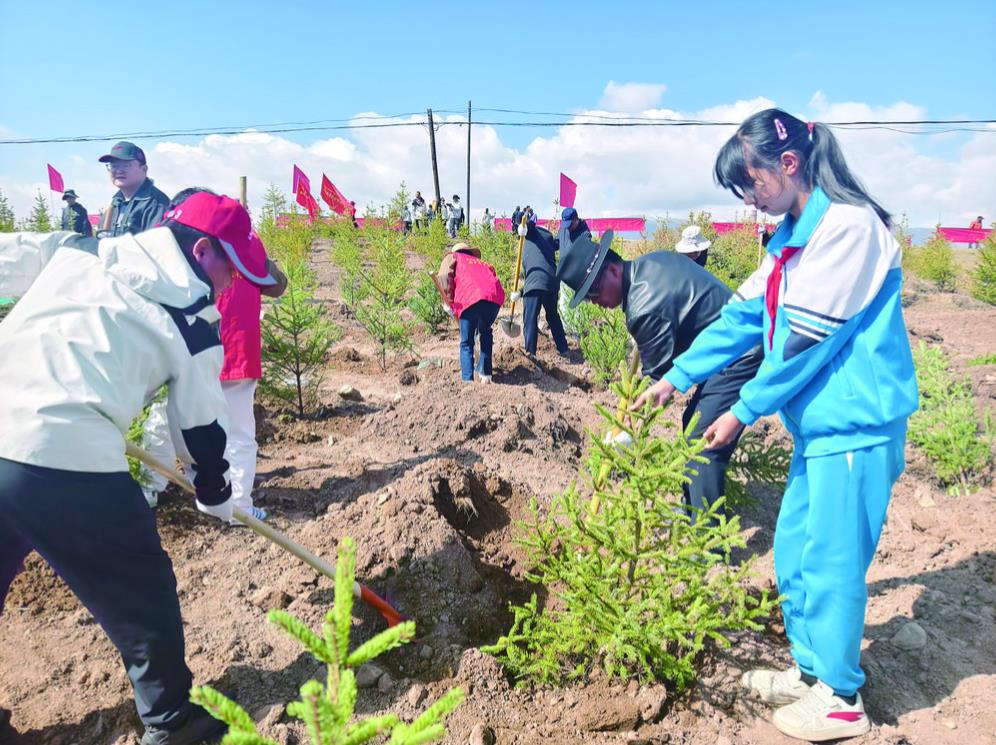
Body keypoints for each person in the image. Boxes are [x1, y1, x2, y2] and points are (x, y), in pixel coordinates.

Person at [635, 109, 918, 742]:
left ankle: (842, 701)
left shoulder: (848, 228)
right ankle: (812, 671)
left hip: (857, 426)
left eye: (752, 184)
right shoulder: (793, 238)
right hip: (820, 430)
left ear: (788, 165)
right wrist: (675, 378)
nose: (751, 201)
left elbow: (803, 344)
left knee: (833, 560)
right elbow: (740, 318)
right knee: (794, 548)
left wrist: (741, 409)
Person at [0, 192, 279, 744]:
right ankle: (174, 721)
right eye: (232, 271)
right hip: (66, 454)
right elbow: (199, 427)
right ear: (202, 252)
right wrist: (214, 491)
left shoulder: (81, 251)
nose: (231, 287)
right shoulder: (192, 319)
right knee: (142, 587)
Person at [557, 229, 762, 522]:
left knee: (702, 439)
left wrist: (626, 430)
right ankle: (694, 508)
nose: (594, 302)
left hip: (738, 352)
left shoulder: (643, 307)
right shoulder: (650, 264)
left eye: (593, 292)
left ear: (613, 270)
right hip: (721, 351)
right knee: (693, 421)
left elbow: (657, 386)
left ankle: (708, 541)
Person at [140, 188, 288, 523]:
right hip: (229, 347)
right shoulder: (249, 244)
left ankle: (148, 491)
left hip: (199, 344)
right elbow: (277, 284)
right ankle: (239, 507)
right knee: (235, 431)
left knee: (164, 422)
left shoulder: (174, 248)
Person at [437, 242, 505, 383]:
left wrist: (447, 301)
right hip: (493, 300)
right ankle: (486, 375)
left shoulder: (453, 257)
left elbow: (444, 275)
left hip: (470, 298)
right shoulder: (482, 263)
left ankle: (467, 381)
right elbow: (493, 277)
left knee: (467, 342)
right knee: (485, 332)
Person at [515, 222, 570, 358]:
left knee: (530, 318)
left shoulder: (533, 234)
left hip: (536, 283)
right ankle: (563, 348)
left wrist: (524, 226)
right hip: (552, 282)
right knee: (552, 315)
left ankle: (530, 353)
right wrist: (521, 293)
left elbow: (527, 222)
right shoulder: (548, 241)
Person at [98, 141, 171, 238]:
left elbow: (155, 247)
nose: (119, 170)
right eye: (114, 166)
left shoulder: (156, 204)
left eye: (126, 165)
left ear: (144, 169)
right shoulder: (114, 204)